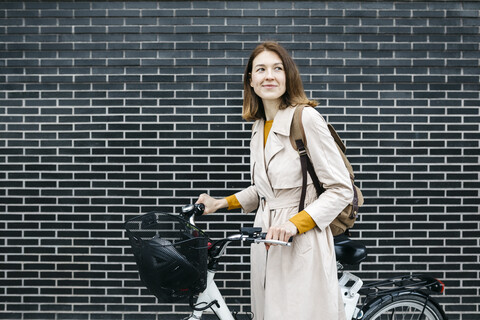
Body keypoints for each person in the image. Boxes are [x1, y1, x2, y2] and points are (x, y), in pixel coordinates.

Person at [196, 41, 353, 320]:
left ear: (287, 76)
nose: (269, 75)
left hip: (302, 238)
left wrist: (294, 224)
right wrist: (221, 203)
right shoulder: (259, 127)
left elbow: (340, 189)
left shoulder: (306, 118)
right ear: (251, 81)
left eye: (277, 68)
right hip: (266, 237)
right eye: (261, 69)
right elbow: (266, 190)